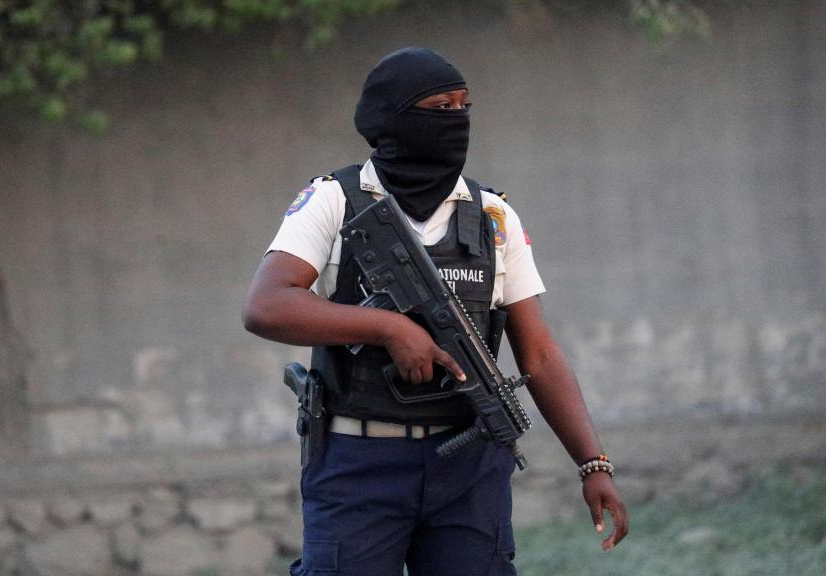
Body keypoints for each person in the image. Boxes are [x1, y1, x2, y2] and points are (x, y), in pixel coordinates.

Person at [243, 47, 627, 576]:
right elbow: (266, 305)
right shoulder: (333, 199)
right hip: (360, 463)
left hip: (467, 467)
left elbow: (538, 352)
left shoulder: (493, 215)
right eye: (439, 108)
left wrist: (593, 463)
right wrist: (387, 326)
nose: (456, 120)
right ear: (393, 119)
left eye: (463, 106)